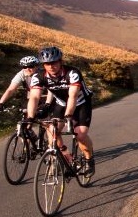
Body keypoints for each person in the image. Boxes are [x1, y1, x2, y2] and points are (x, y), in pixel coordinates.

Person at [27, 46, 95, 177]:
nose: (51, 66)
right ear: (43, 65)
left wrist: (69, 116)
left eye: (54, 62)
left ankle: (89, 159)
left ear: (60, 61)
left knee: (80, 135)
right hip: (61, 103)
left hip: (81, 103)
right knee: (52, 130)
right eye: (47, 63)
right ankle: (64, 154)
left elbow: (73, 96)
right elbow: (34, 97)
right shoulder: (38, 75)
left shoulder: (72, 72)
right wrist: (30, 117)